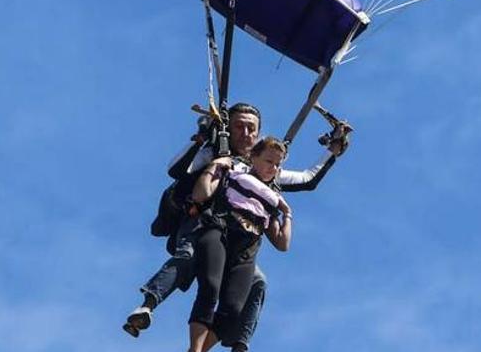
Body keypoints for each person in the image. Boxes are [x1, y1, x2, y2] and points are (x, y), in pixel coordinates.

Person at [123, 102, 347, 351]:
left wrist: (332, 151)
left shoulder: (267, 169)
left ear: (259, 134)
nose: (246, 133)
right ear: (229, 128)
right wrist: (203, 139)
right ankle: (148, 303)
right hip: (205, 225)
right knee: (189, 256)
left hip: (240, 242)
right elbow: (176, 170)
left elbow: (307, 179)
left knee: (257, 283)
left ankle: (234, 344)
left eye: (252, 129)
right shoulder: (216, 154)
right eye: (239, 127)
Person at [188, 136, 291, 352]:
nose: (273, 168)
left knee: (234, 309)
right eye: (268, 161)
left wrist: (287, 214)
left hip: (246, 250)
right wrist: (216, 164)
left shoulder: (271, 198)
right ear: (253, 157)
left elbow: (282, 244)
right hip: (221, 230)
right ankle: (195, 349)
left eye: (277, 165)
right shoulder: (236, 171)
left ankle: (199, 351)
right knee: (210, 287)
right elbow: (202, 191)